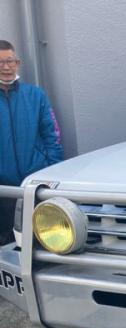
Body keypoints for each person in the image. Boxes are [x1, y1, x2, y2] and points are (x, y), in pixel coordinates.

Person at [0, 40, 63, 245]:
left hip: (35, 185)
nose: (7, 67)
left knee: (42, 242)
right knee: (7, 246)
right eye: (0, 62)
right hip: (3, 190)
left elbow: (52, 135)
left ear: (17, 63)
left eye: (11, 61)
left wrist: (52, 170)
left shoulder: (35, 95)